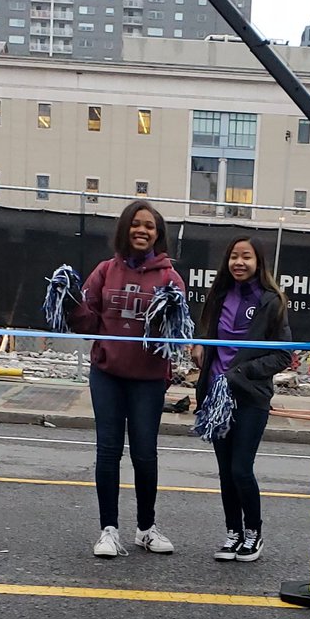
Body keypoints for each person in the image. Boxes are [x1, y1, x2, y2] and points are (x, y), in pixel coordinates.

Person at [68, 200, 185, 558]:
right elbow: (87, 324)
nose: (142, 230)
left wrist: (169, 318)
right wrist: (69, 301)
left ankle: (146, 529)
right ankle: (109, 530)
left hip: (148, 380)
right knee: (108, 451)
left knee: (145, 455)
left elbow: (177, 335)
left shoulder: (170, 278)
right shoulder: (105, 270)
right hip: (107, 375)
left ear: (158, 234)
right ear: (125, 228)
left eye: (150, 226)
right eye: (136, 224)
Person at [193, 237, 291, 563]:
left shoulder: (271, 301)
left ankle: (254, 533)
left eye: (246, 257)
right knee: (224, 471)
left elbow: (282, 357)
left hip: (250, 398)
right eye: (234, 256)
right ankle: (233, 533)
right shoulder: (219, 296)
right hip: (215, 397)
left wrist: (243, 373)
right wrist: (200, 352)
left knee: (240, 469)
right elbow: (208, 339)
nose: (239, 262)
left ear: (258, 262)